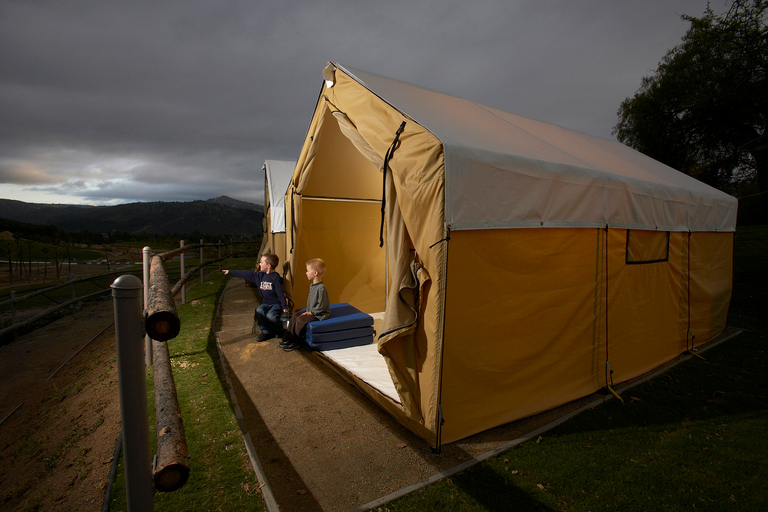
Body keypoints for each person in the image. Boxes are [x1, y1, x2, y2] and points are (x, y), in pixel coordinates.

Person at [223, 253, 289, 341]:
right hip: (266, 303)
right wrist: (231, 272)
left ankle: (279, 331)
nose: (259, 264)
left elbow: (280, 293)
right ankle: (266, 332)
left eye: (261, 262)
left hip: (276, 304)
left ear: (268, 265)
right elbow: (246, 274)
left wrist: (284, 306)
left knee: (271, 316)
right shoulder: (260, 276)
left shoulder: (275, 278)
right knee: (259, 310)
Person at [279, 258, 330, 352]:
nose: (306, 273)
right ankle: (289, 337)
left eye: (307, 271)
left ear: (315, 273)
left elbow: (322, 307)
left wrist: (311, 312)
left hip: (319, 314)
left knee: (300, 319)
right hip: (311, 311)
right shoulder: (312, 286)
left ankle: (296, 341)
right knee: (295, 315)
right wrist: (308, 311)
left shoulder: (321, 289)